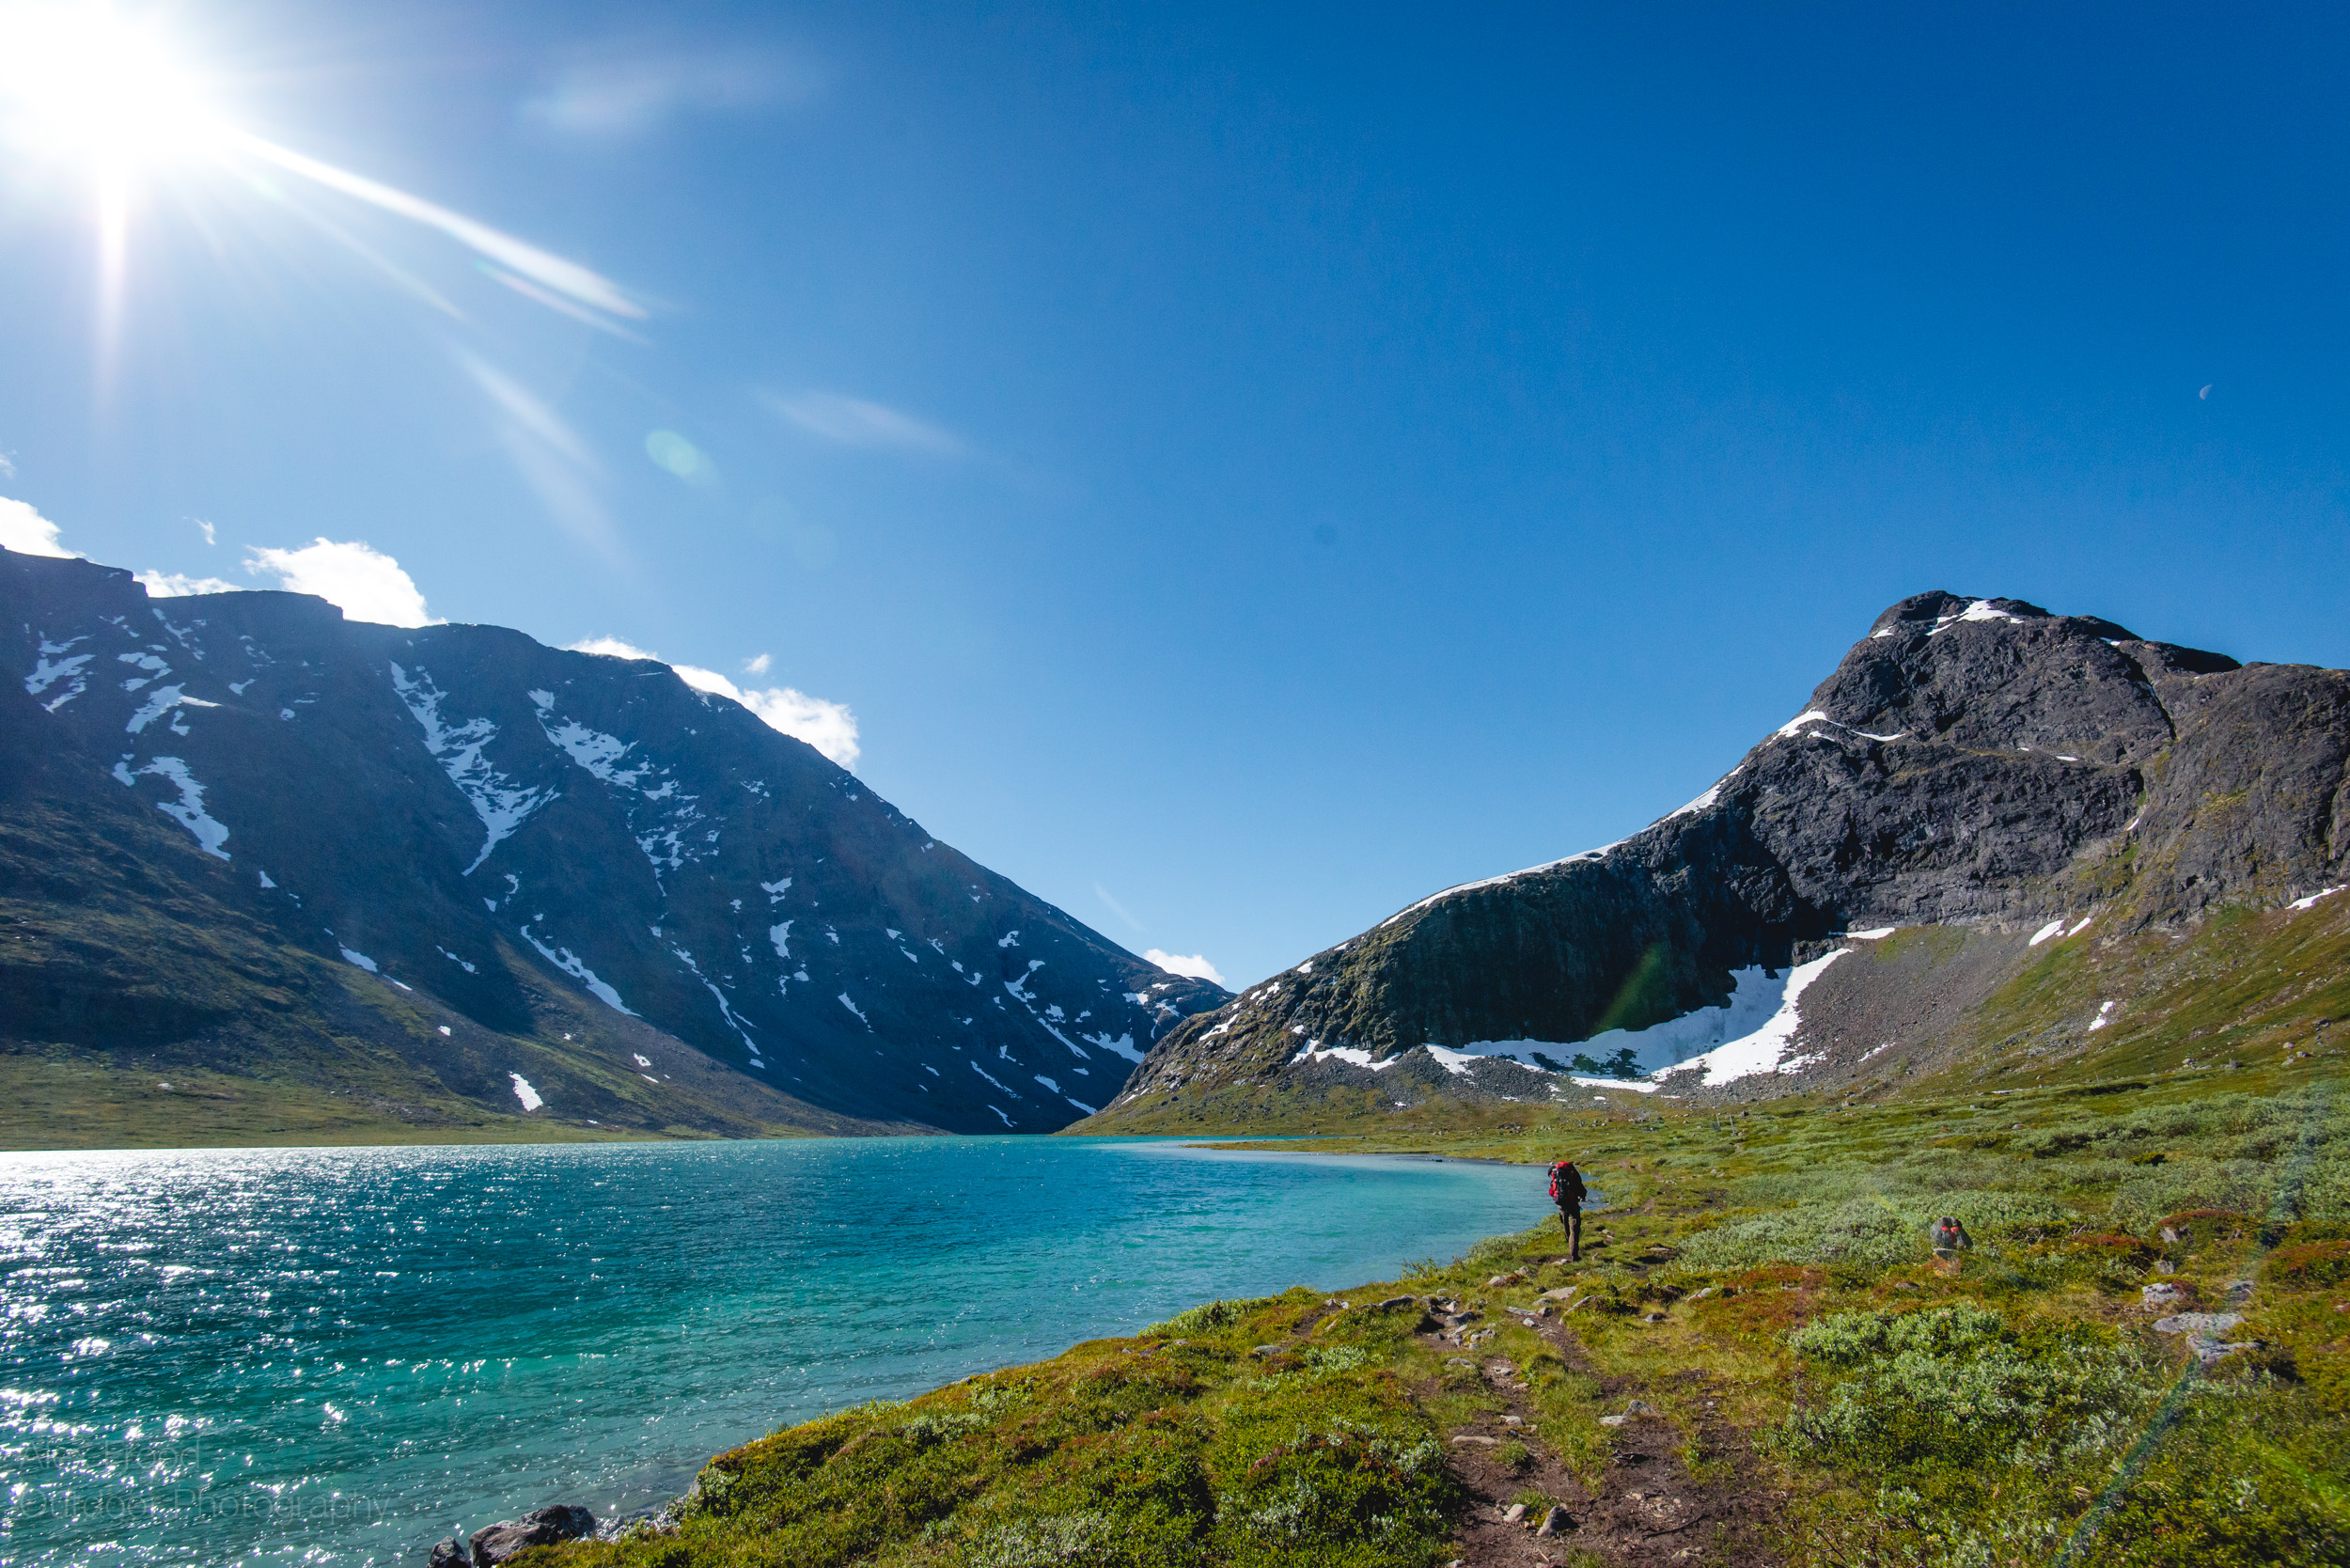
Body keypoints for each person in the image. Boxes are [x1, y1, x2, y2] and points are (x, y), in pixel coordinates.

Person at [1548, 1157, 1587, 1261]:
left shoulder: (1557, 1176)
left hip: (1561, 1205)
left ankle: (1569, 1244)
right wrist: (1582, 1196)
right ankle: (1574, 1255)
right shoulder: (1572, 1176)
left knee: (1566, 1227)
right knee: (1574, 1229)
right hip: (1573, 1205)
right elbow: (1581, 1190)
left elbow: (1551, 1191)